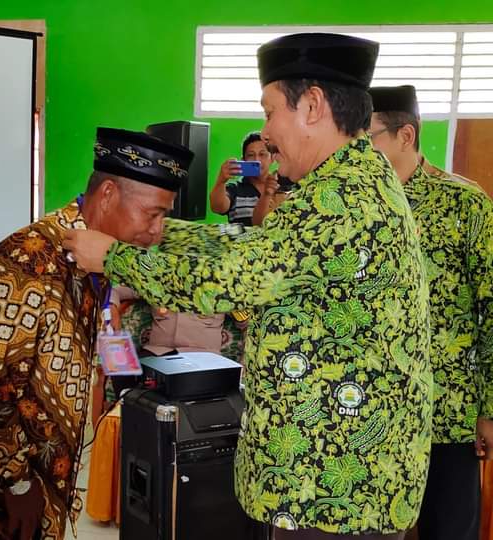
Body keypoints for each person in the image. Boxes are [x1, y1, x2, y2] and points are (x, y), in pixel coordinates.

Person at [64, 33, 433, 540]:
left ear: (312, 106)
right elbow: (254, 248)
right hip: (335, 468)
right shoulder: (349, 182)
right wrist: (163, 232)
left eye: (270, 111)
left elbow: (228, 281)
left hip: (335, 479)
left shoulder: (339, 199)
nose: (266, 131)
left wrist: (112, 256)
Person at [0, 127, 192, 540]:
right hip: (7, 493)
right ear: (108, 195)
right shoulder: (24, 263)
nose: (157, 232)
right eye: (152, 214)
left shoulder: (93, 258)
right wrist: (15, 482)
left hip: (48, 478)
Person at [369, 85, 493, 540]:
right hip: (374, 412)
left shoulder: (465, 202)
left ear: (405, 135)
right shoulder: (359, 207)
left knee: (449, 529)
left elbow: (491, 306)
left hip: (447, 410)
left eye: (368, 138)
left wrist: (490, 408)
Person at [210, 131, 281, 225]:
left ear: (272, 158)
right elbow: (218, 208)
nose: (257, 160)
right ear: (243, 160)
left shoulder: (282, 187)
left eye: (262, 154)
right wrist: (221, 180)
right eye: (251, 155)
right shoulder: (235, 189)